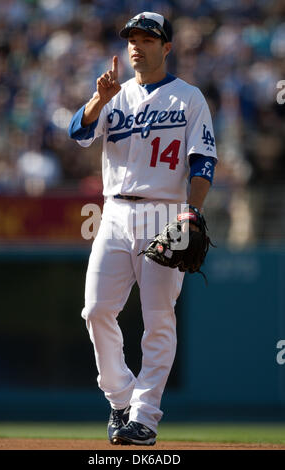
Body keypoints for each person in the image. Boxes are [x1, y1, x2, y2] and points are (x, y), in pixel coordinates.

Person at [68, 11, 217, 446]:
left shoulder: (189, 97)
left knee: (158, 320)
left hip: (165, 212)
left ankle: (145, 418)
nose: (137, 44)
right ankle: (120, 398)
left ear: (166, 47)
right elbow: (78, 132)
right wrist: (99, 99)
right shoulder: (113, 94)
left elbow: (203, 161)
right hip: (113, 213)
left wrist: (192, 211)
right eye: (132, 37)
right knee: (96, 310)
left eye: (148, 38)